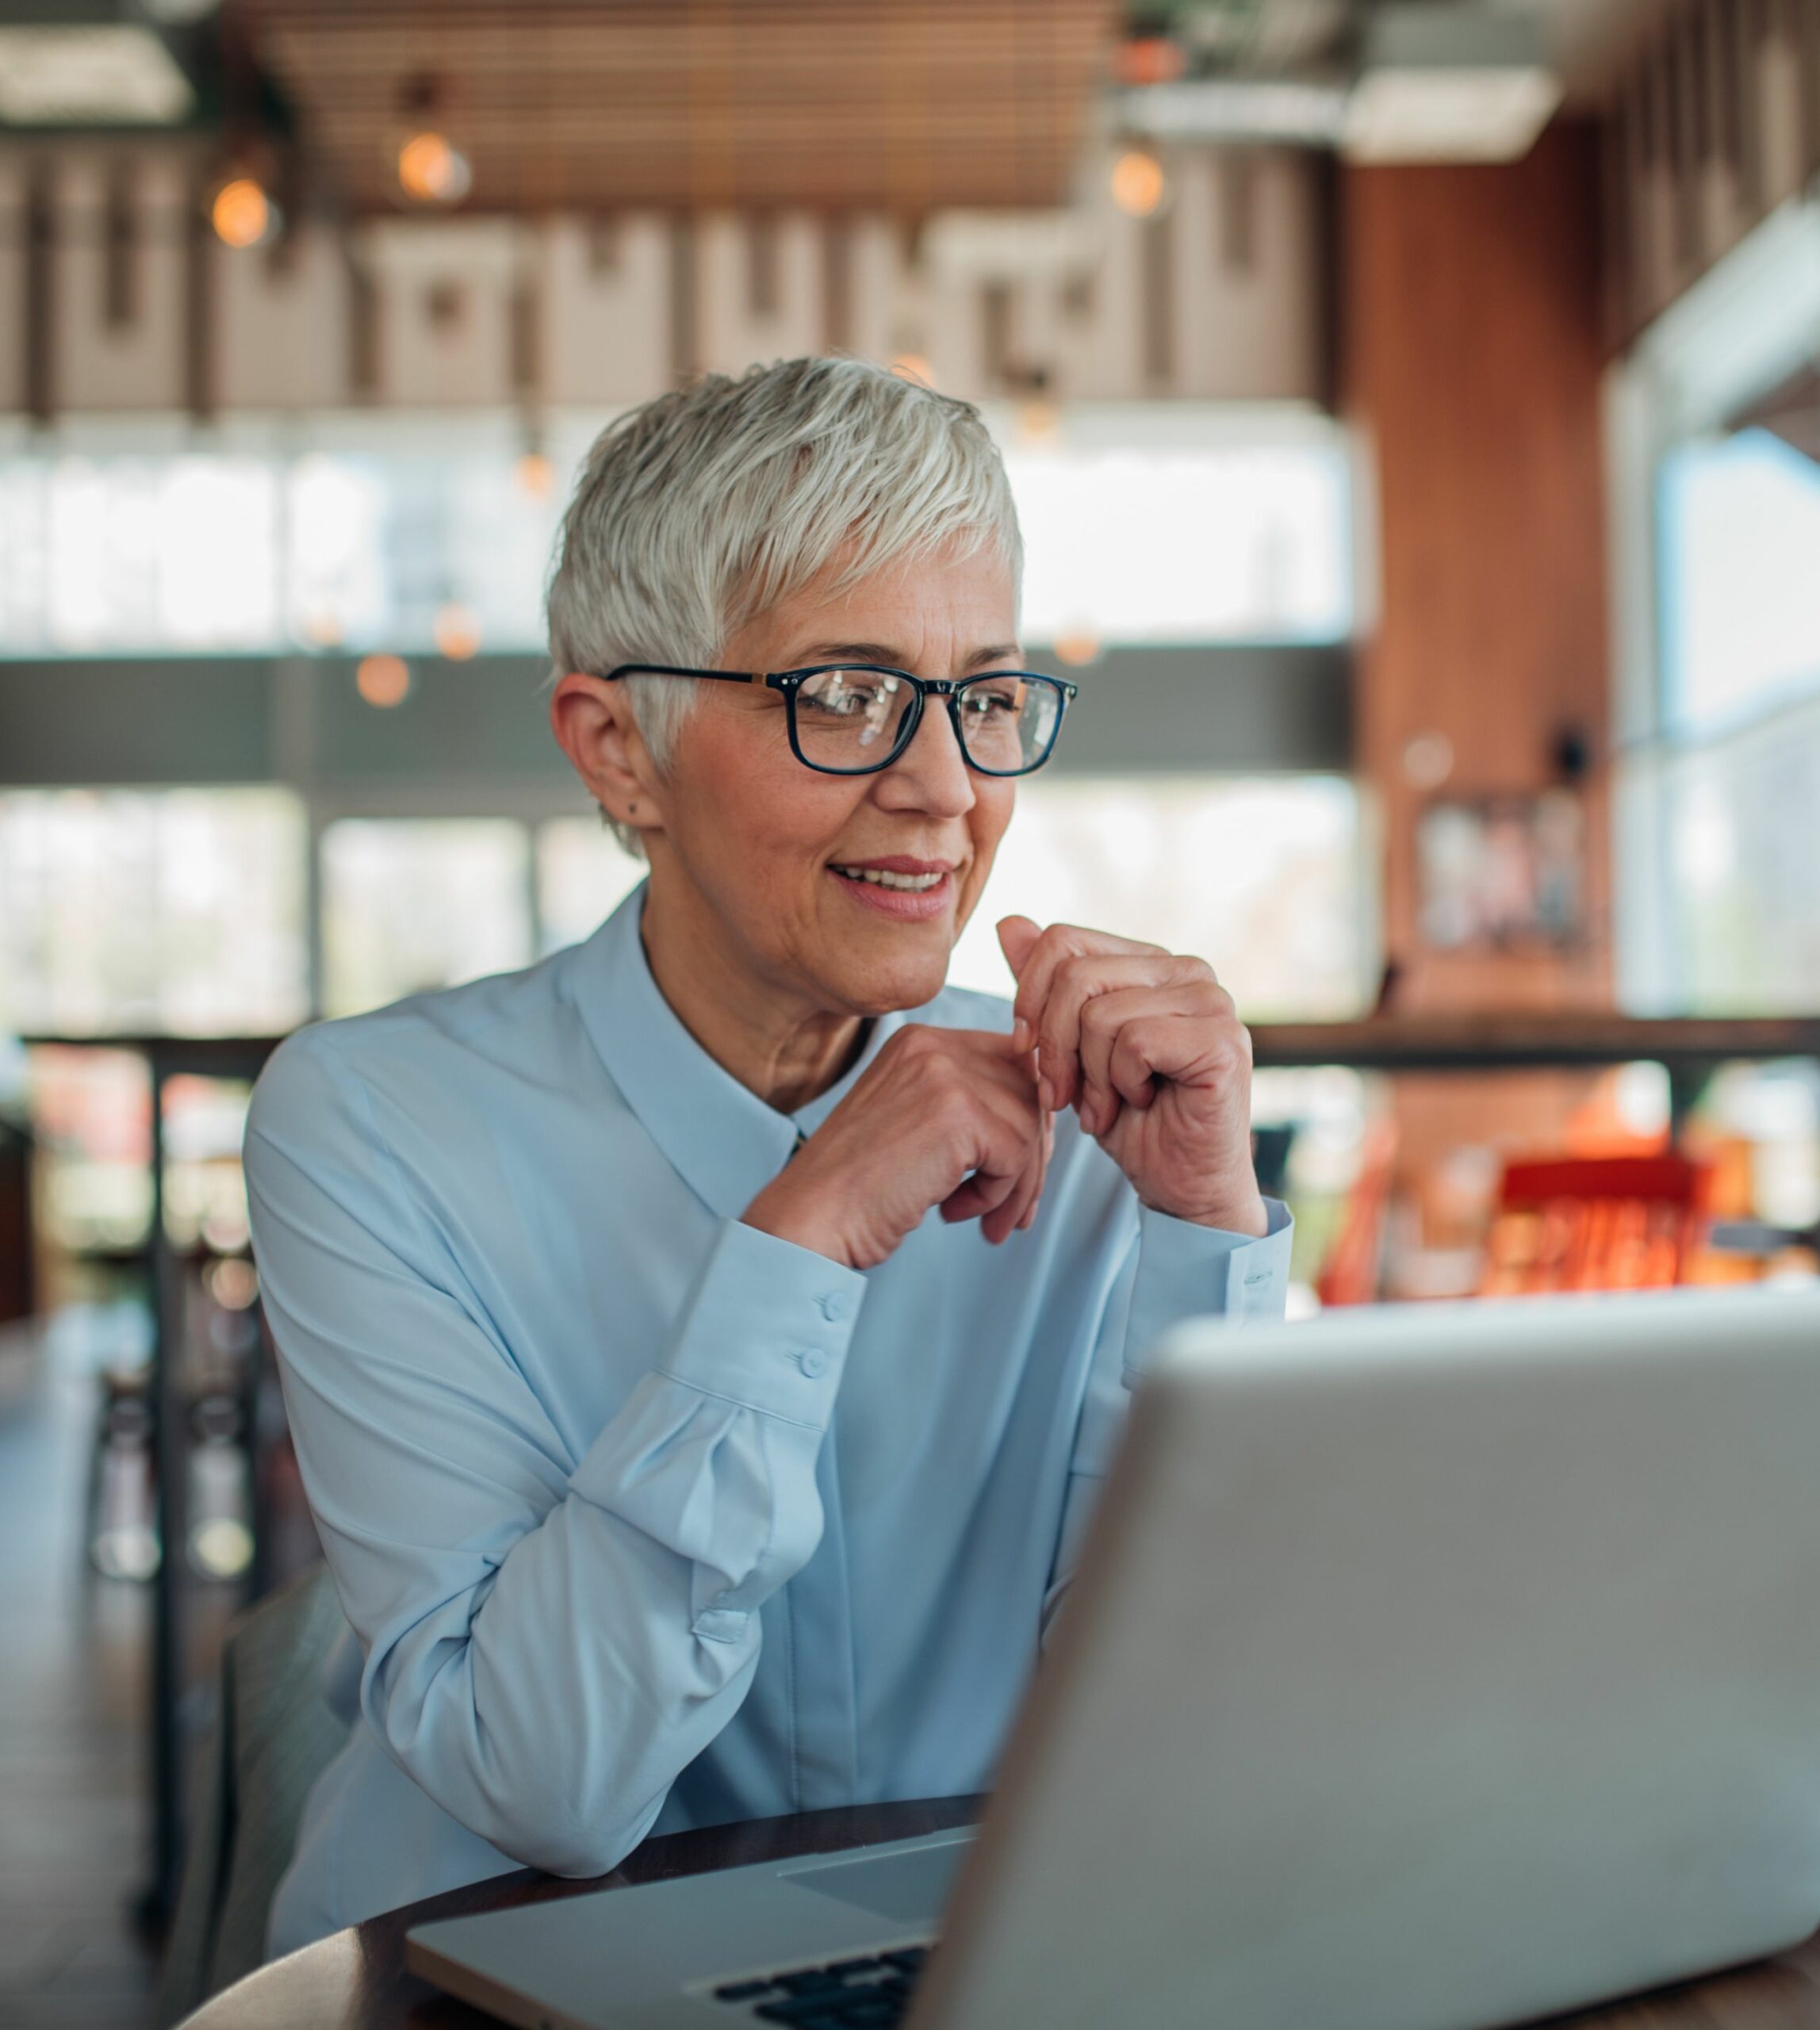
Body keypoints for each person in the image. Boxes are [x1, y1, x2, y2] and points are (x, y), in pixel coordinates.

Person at [246, 358, 1293, 1956]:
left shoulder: (1096, 1118)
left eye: (985, 695)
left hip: (965, 1964)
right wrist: (793, 1243)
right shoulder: (371, 1127)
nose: (944, 786)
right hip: (481, 1978)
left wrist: (1201, 1240)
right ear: (616, 751)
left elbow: (1190, 1730)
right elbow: (550, 1781)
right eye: (844, 691)